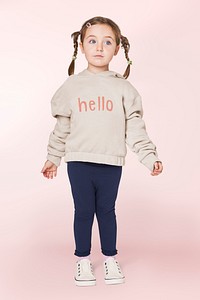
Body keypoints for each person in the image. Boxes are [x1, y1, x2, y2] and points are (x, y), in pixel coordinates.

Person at [41, 16, 163, 287]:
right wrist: (53, 158)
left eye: (107, 42)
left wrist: (149, 156)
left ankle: (109, 258)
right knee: (83, 211)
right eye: (92, 41)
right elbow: (62, 127)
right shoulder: (71, 87)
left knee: (107, 211)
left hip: (110, 163)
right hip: (79, 162)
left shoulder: (123, 88)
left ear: (118, 48)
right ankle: (83, 260)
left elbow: (135, 129)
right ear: (81, 46)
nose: (99, 47)